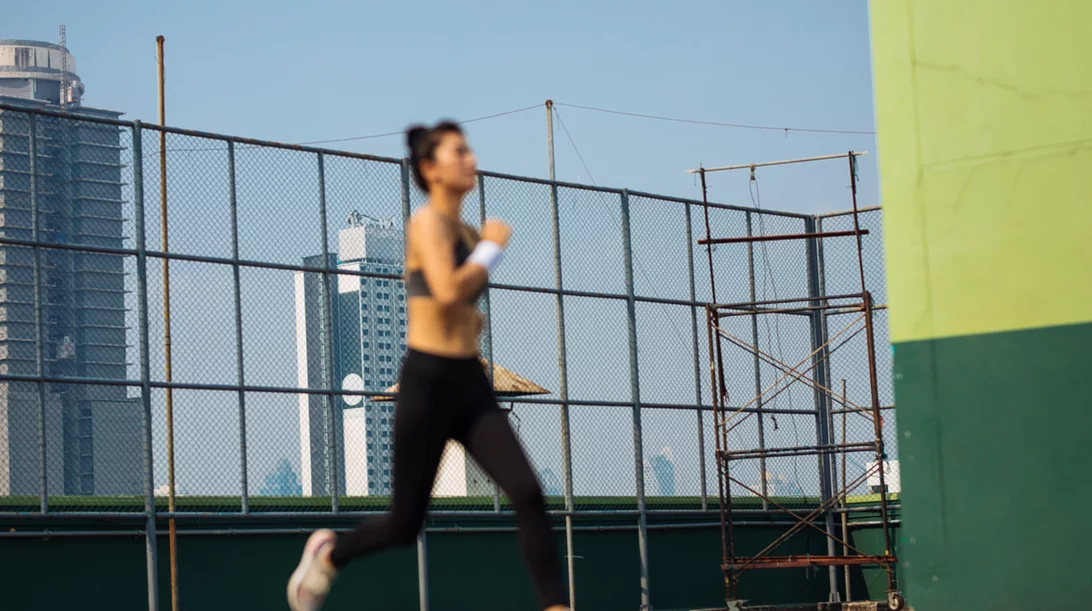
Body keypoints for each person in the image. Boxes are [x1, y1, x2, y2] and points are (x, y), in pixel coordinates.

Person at [287, 121, 570, 611]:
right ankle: (331, 553)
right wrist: (492, 248)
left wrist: (471, 316)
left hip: (470, 382)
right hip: (428, 382)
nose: (470, 160)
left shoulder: (462, 230)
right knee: (404, 523)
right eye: (459, 152)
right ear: (430, 169)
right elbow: (446, 290)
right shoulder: (427, 224)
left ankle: (557, 607)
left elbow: (450, 299)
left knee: (527, 491)